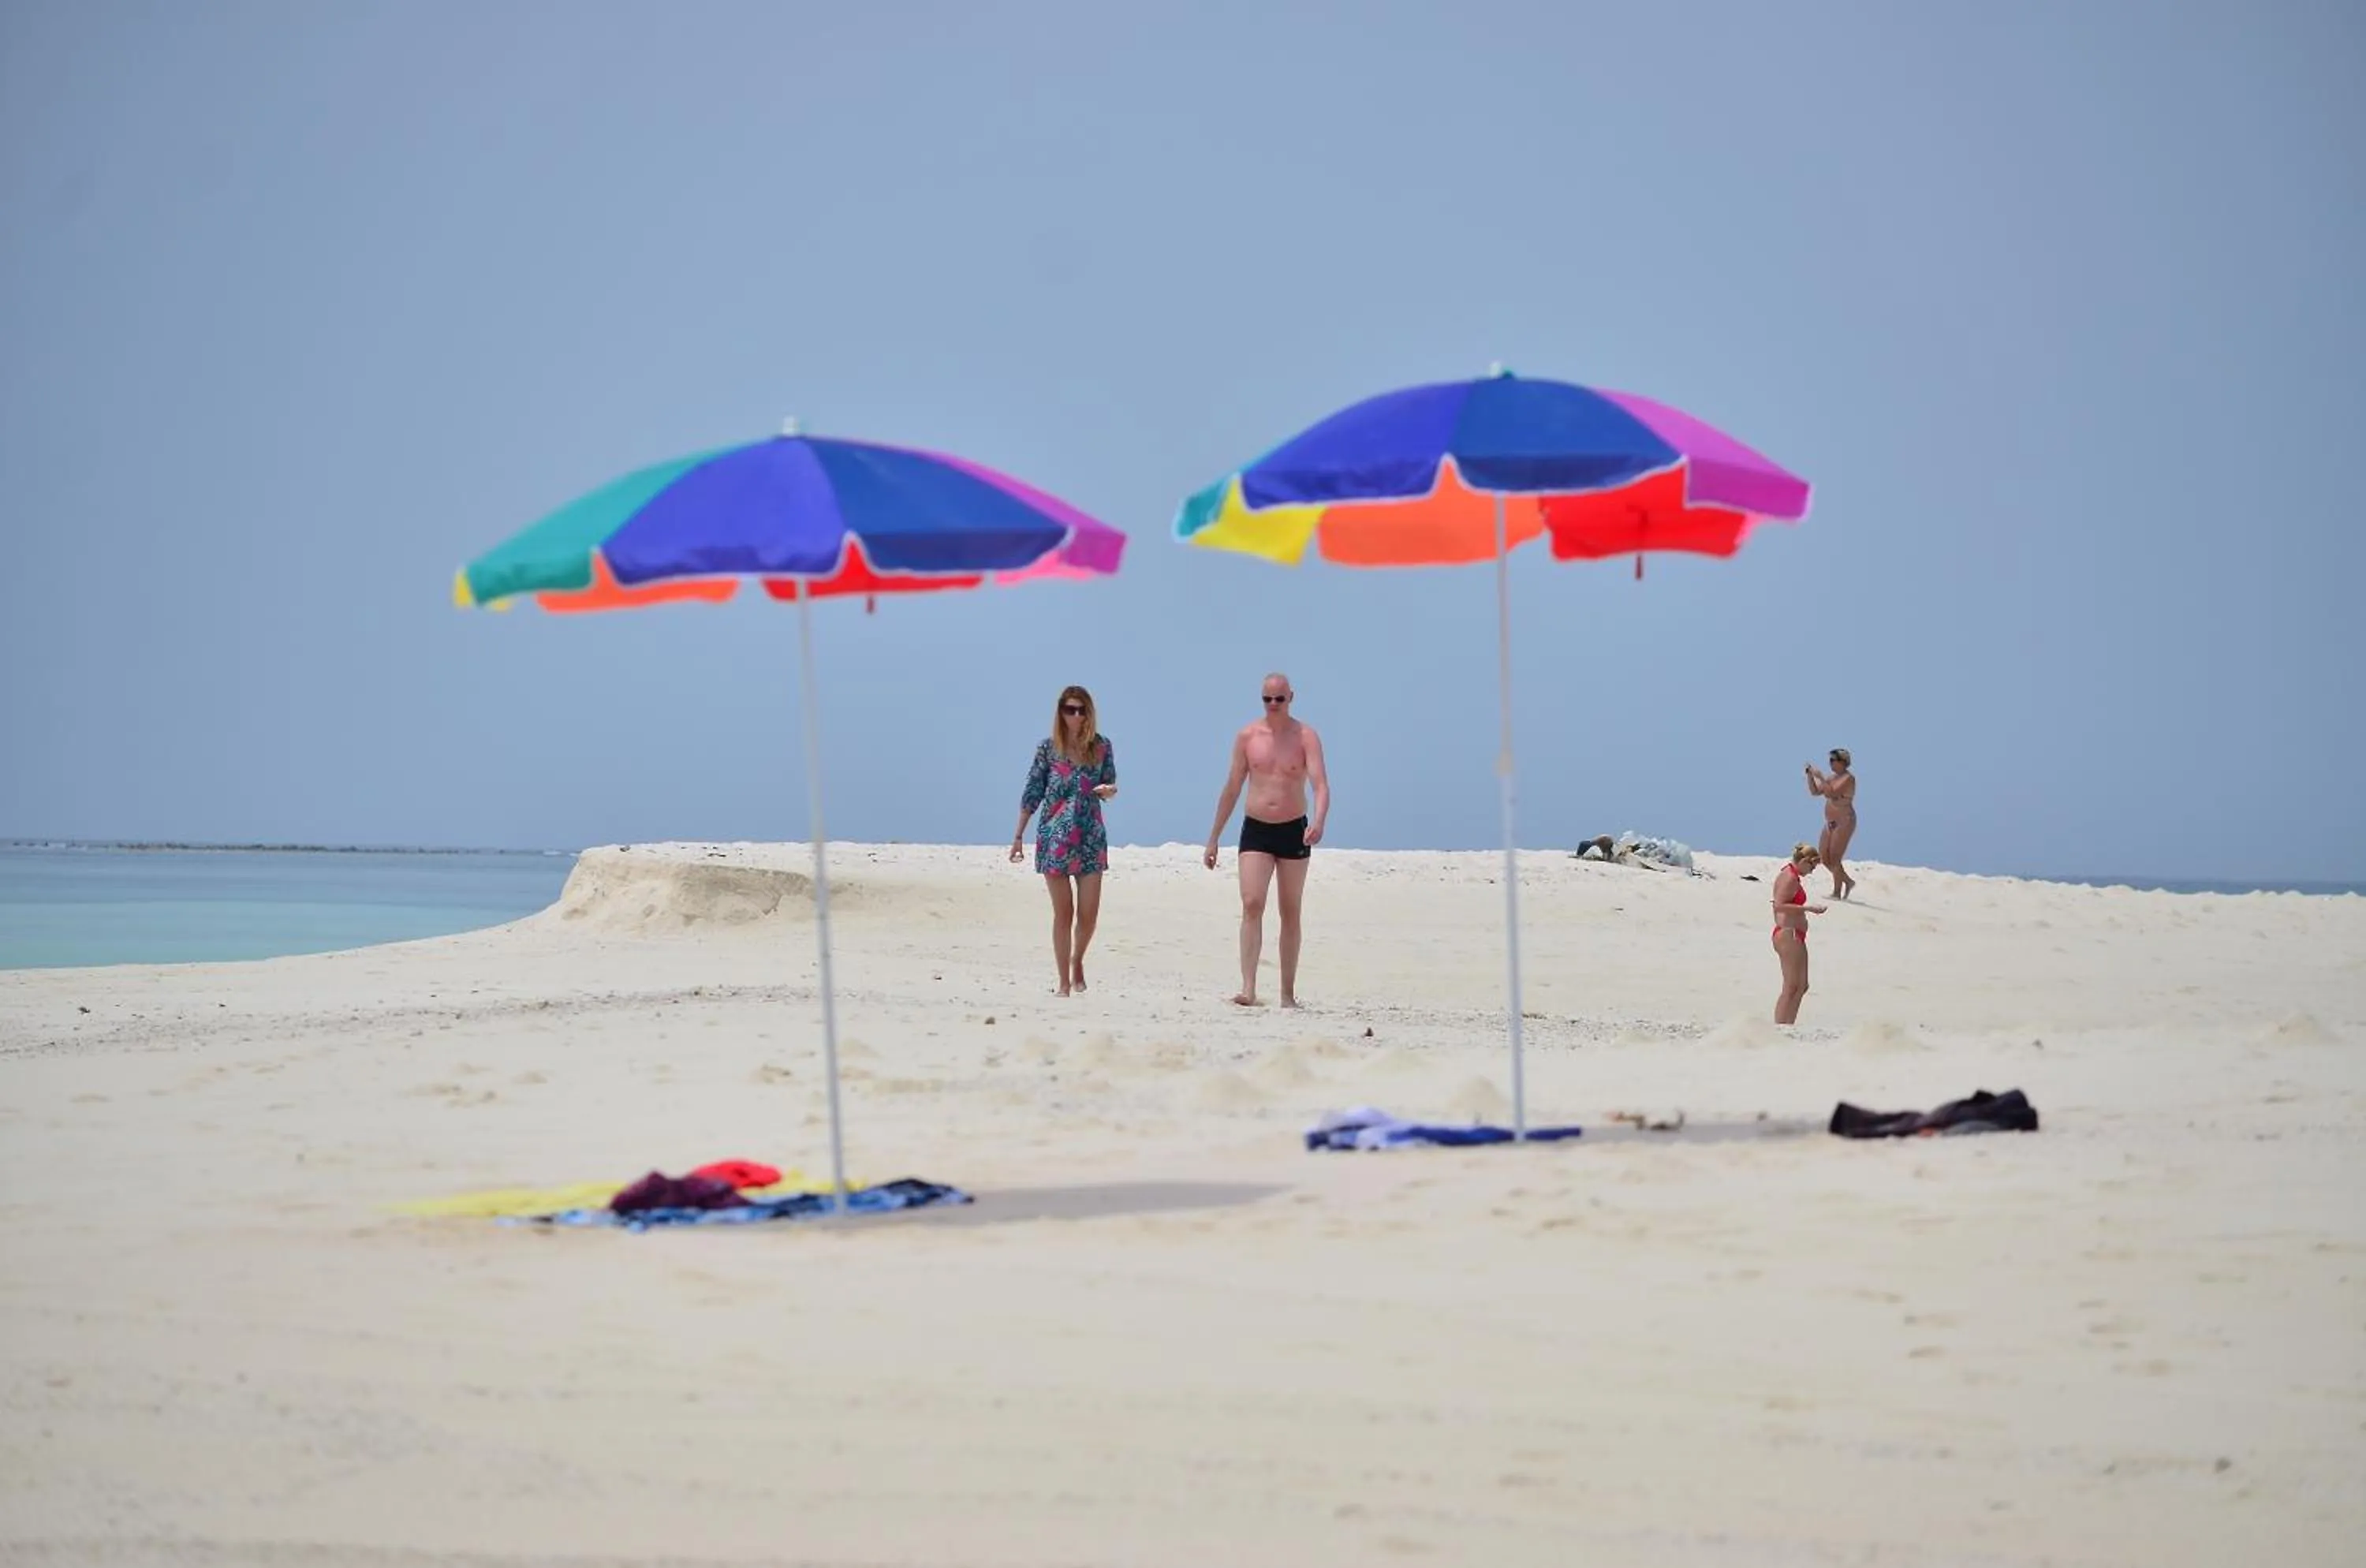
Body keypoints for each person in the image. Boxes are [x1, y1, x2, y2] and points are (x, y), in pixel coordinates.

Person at [1203, 671, 1329, 1008]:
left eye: (1279, 699)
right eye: (1267, 699)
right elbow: (1232, 787)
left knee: (1290, 910)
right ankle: (1249, 988)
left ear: (1291, 698)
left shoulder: (1306, 736)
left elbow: (1320, 784)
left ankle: (1287, 994)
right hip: (1256, 828)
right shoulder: (1247, 736)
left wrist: (1318, 821)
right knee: (1252, 902)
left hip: (1293, 829)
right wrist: (1214, 837)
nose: (1273, 705)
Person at [1010, 685, 1117, 997]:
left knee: (1089, 914)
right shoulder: (1048, 749)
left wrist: (1109, 791)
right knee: (1064, 913)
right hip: (1054, 838)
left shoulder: (1101, 747)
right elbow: (1032, 793)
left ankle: (1078, 959)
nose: (1077, 716)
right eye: (1071, 710)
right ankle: (1063, 982)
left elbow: (1111, 782)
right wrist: (1018, 836)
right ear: (1060, 712)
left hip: (1090, 837)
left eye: (1082, 710)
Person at [1771, 842, 1828, 1025]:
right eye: (1811, 866)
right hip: (1788, 933)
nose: (1812, 870)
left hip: (1795, 934)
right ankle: (1780, 1026)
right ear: (1803, 861)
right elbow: (1779, 905)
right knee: (1791, 986)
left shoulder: (1793, 877)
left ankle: (1788, 1025)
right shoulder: (1788, 877)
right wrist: (1808, 908)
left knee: (1802, 986)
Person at [1804, 747, 1858, 899]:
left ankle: (1837, 892)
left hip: (1845, 821)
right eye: (1830, 760)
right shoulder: (1831, 778)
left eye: (1833, 760)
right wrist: (1810, 776)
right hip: (1831, 822)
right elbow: (1815, 792)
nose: (1830, 763)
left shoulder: (1849, 778)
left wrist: (1820, 776)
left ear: (1843, 762)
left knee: (1835, 858)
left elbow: (1832, 793)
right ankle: (1848, 881)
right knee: (1824, 857)